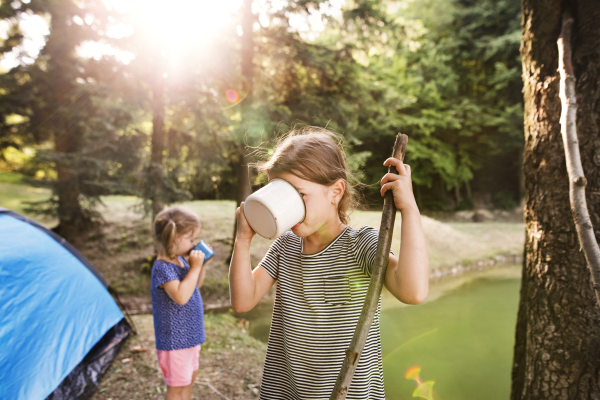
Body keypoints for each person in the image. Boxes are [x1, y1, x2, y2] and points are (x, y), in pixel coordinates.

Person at [229, 128, 429, 399]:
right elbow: (243, 301)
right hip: (287, 393)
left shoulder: (361, 245)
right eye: (278, 191)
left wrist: (410, 209)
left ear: (335, 192)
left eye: (299, 194)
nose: (288, 205)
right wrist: (242, 240)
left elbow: (413, 291)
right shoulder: (285, 247)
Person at [151, 206, 211, 400]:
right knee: (177, 388)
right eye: (191, 239)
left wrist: (200, 268)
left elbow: (194, 286)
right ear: (174, 238)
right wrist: (194, 268)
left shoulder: (180, 261)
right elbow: (180, 296)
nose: (195, 244)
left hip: (190, 337)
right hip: (175, 341)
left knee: (189, 381)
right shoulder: (162, 268)